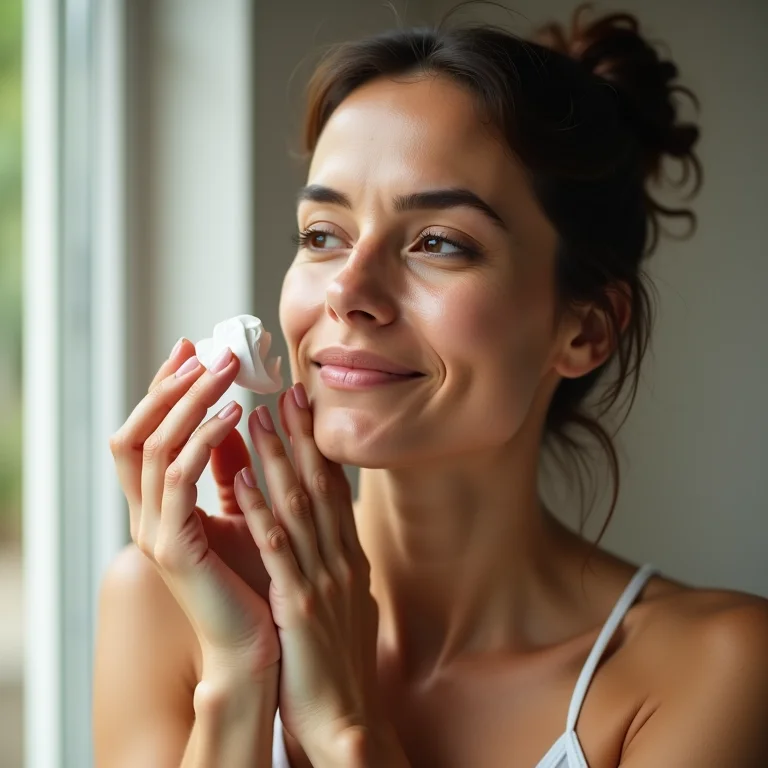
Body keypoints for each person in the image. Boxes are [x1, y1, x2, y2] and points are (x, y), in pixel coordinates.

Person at [93, 3, 768, 766]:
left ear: (584, 331)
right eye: (323, 235)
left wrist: (349, 730)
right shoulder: (169, 607)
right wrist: (239, 677)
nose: (348, 289)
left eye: (438, 243)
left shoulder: (713, 669)